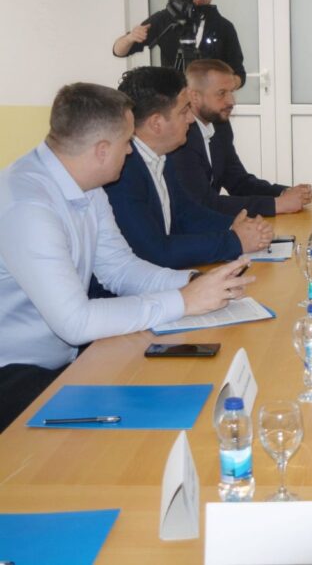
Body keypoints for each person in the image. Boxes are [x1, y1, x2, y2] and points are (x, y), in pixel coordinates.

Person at [0, 83, 254, 431]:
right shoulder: (28, 207)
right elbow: (75, 323)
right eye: (126, 142)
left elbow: (120, 269)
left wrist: (194, 282)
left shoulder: (84, 182)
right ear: (102, 150)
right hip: (16, 374)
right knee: (151, 425)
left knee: (180, 396)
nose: (132, 151)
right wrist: (182, 301)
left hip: (66, 358)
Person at [106, 66, 273, 269]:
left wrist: (235, 226)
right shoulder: (122, 173)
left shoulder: (161, 154)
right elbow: (155, 251)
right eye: (184, 111)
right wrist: (235, 241)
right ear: (156, 123)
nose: (191, 119)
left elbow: (186, 213)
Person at [172, 59, 312, 218]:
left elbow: (238, 182)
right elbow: (204, 203)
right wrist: (277, 204)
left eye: (232, 92)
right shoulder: (181, 136)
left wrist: (284, 192)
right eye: (221, 93)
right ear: (194, 96)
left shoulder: (220, 126)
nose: (231, 101)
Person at [112, 0, 246, 88]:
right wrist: (130, 38)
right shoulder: (165, 19)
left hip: (208, 102)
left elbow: (239, 74)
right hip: (173, 99)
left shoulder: (224, 27)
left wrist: (223, 85)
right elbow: (118, 51)